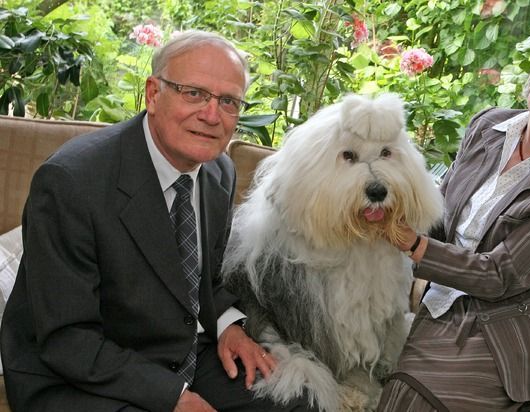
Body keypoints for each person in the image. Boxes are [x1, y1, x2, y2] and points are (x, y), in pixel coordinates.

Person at [0, 30, 314, 412]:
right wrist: (172, 397)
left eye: (228, 101)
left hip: (180, 352)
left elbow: (204, 280)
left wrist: (229, 326)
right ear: (153, 94)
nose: (212, 115)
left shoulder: (218, 173)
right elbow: (67, 338)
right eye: (193, 93)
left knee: (298, 402)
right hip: (78, 373)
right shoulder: (71, 182)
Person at [378, 35, 530, 412]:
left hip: (510, 329)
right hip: (446, 301)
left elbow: (500, 275)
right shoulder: (488, 126)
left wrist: (412, 244)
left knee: (414, 399)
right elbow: (442, 216)